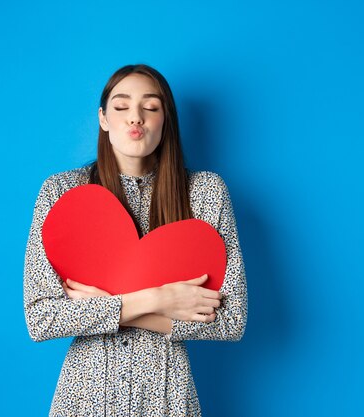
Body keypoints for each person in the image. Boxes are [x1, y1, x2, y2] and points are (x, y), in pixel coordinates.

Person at [23, 64, 247, 417]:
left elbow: (232, 320)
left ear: (166, 120)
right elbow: (42, 317)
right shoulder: (62, 192)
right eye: (121, 106)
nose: (135, 118)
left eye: (151, 107)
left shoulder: (205, 193)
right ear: (103, 118)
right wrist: (161, 299)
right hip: (86, 394)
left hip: (167, 394)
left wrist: (109, 306)